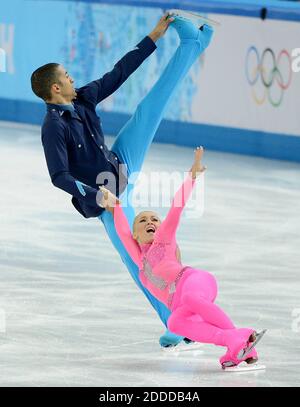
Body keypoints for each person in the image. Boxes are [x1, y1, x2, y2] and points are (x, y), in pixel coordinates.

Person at [30, 13, 214, 347]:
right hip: (109, 200)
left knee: (151, 107)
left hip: (120, 161)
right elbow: (59, 176)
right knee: (142, 263)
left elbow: (119, 72)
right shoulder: (53, 127)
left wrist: (154, 37)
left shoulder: (82, 99)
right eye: (67, 77)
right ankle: (176, 323)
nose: (73, 79)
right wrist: (97, 196)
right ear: (56, 88)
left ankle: (191, 45)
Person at [101, 147, 266, 368]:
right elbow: (122, 231)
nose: (150, 222)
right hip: (181, 303)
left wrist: (192, 176)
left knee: (189, 300)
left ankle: (240, 336)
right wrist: (115, 205)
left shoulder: (164, 239)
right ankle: (234, 343)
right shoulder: (140, 260)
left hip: (195, 281)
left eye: (154, 220)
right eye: (143, 221)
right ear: (136, 234)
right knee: (176, 322)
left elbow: (176, 207)